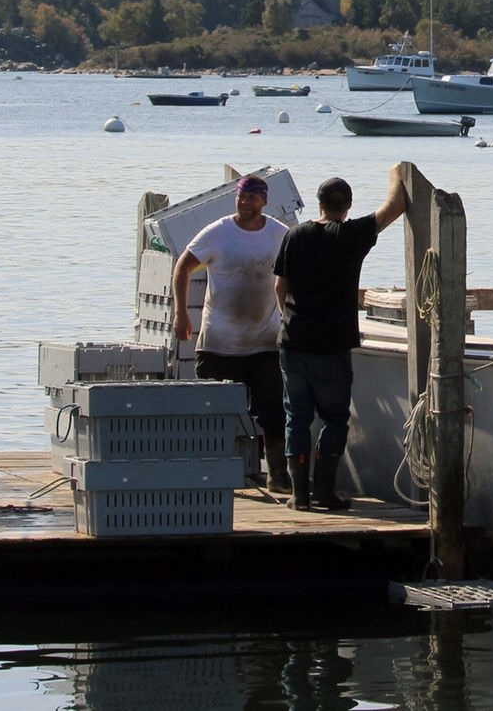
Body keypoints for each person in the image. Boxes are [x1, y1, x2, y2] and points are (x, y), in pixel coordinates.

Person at [274, 170, 409, 511]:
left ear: (319, 204)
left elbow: (280, 286)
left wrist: (288, 319)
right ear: (347, 206)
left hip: (293, 340)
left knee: (297, 417)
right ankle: (325, 491)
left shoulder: (295, 235)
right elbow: (395, 206)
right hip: (331, 345)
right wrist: (396, 172)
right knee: (334, 418)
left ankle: (299, 495)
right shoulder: (351, 236)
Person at [172, 173, 290, 494]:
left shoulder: (280, 235)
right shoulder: (218, 233)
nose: (244, 201)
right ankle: (210, 476)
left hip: (265, 341)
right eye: (241, 195)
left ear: (264, 201)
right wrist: (181, 313)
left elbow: (299, 274)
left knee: (273, 412)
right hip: (219, 343)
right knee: (212, 414)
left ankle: (278, 475)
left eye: (252, 196)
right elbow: (183, 267)